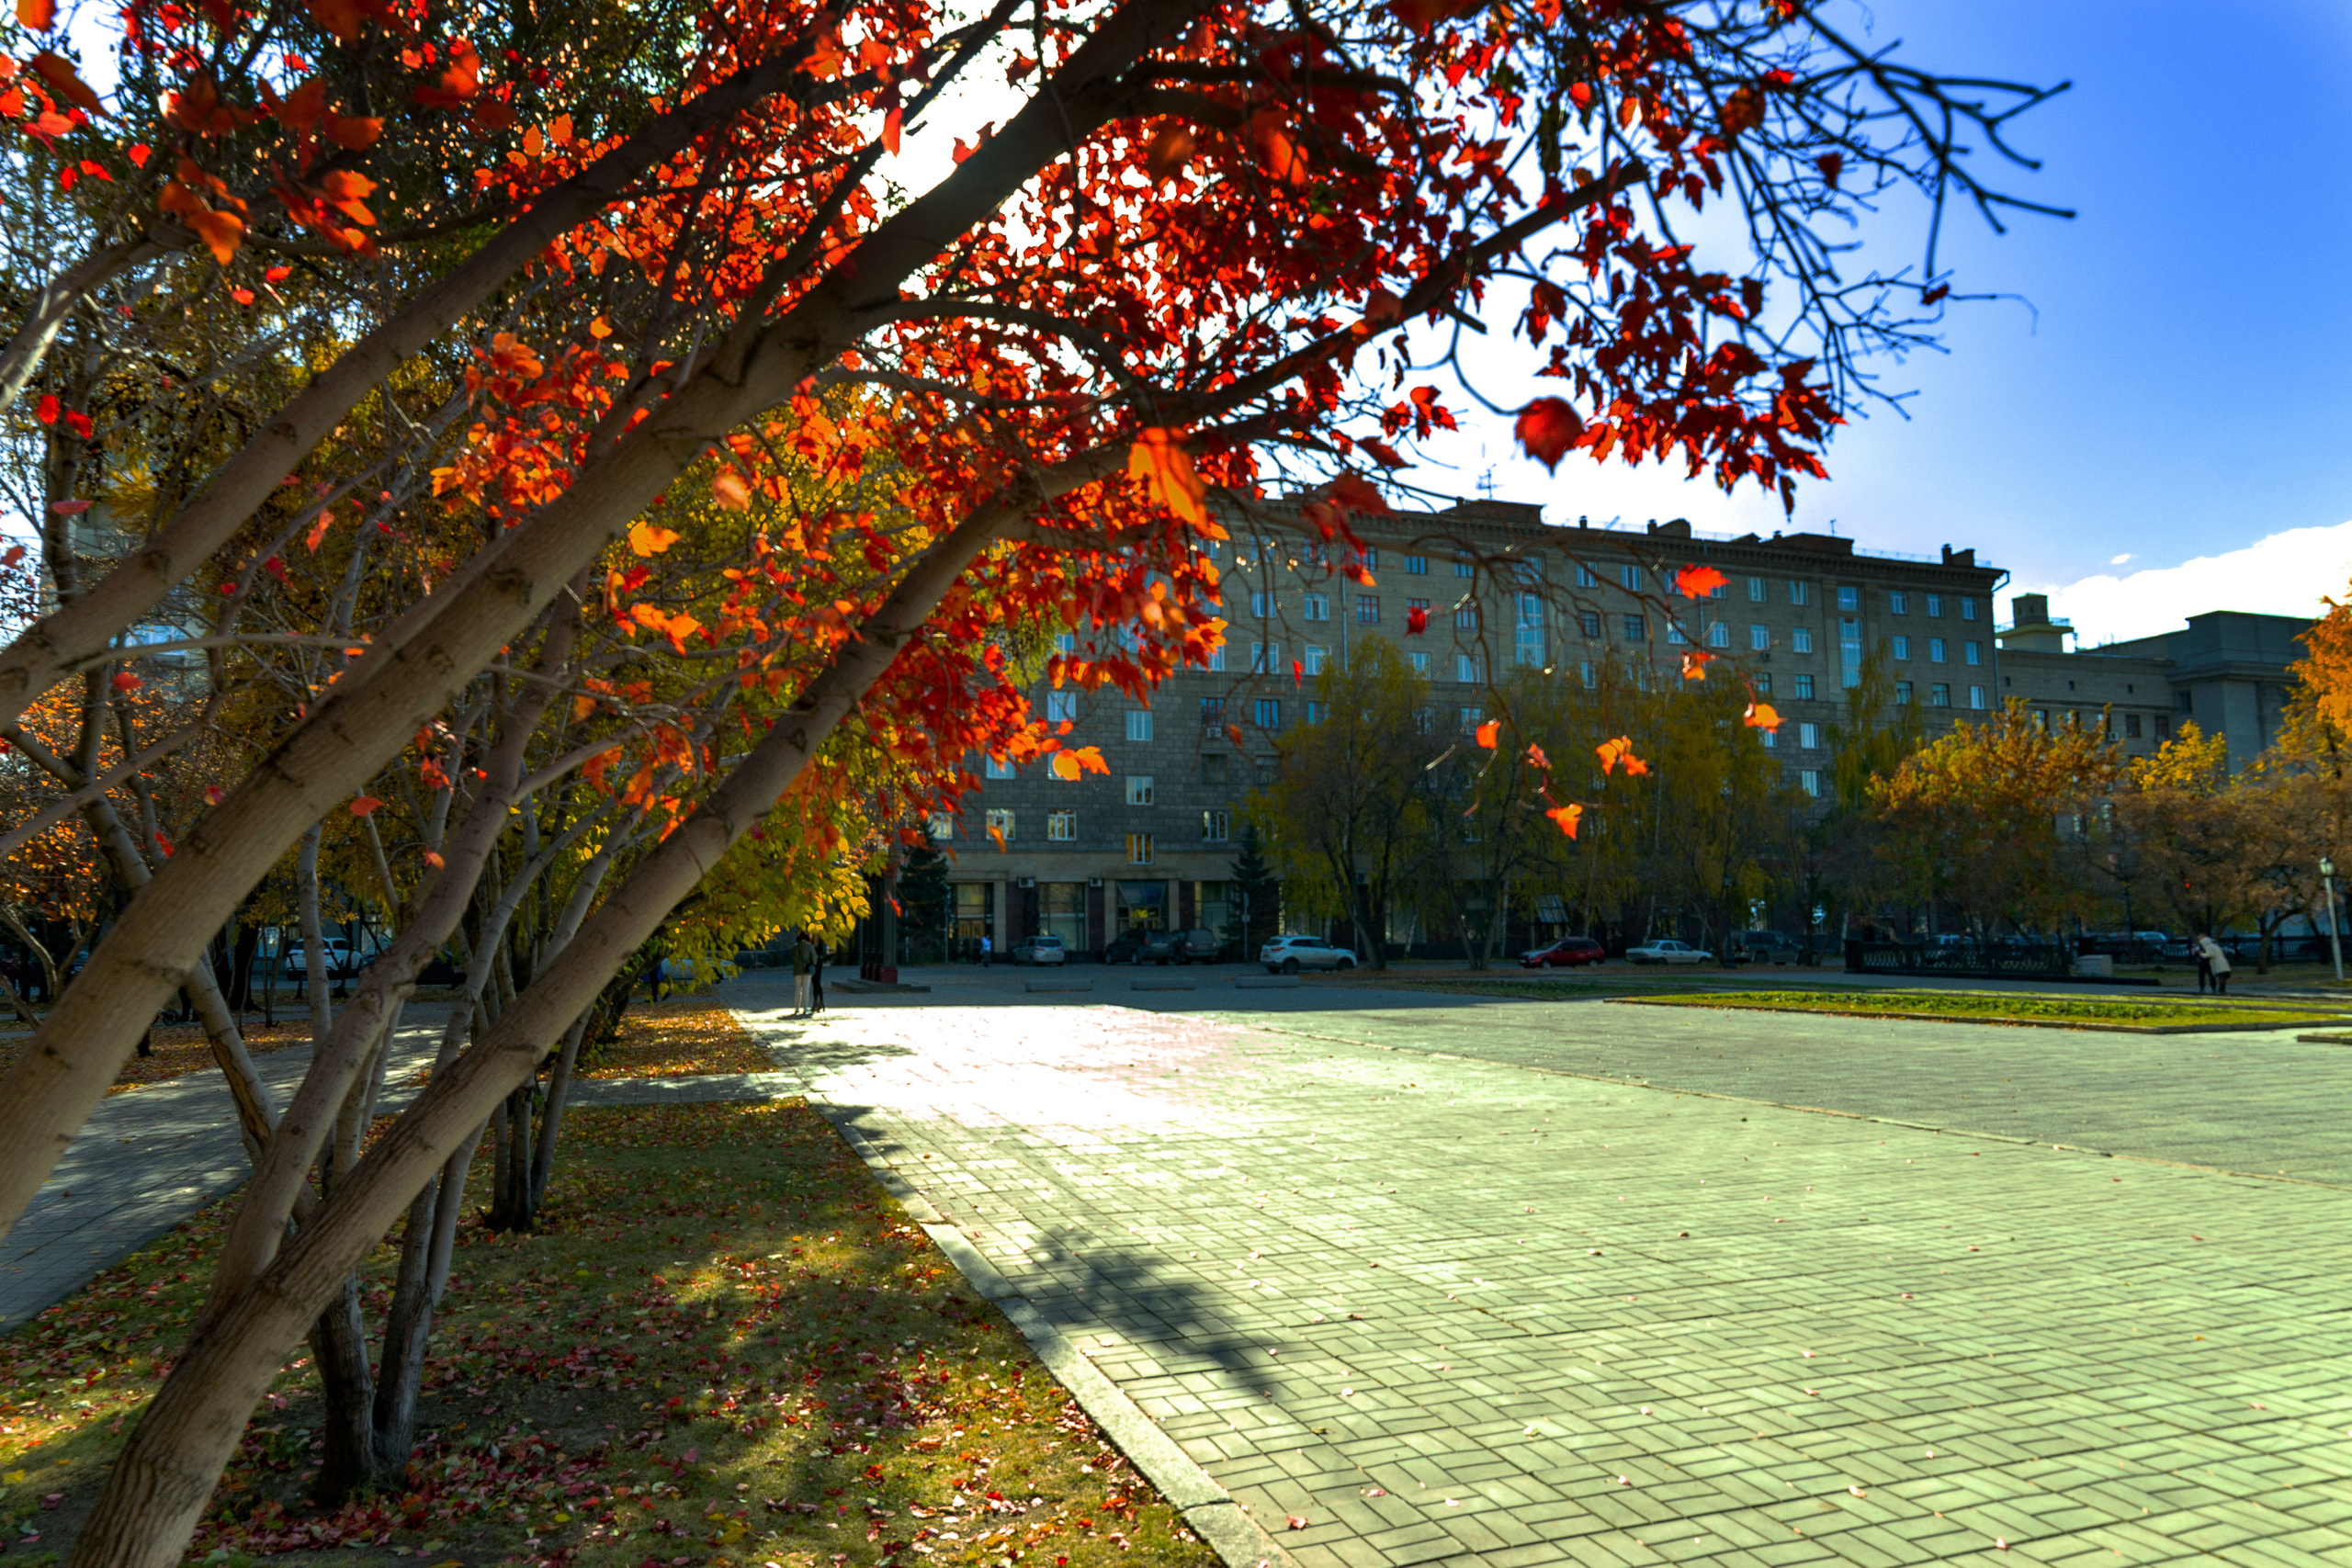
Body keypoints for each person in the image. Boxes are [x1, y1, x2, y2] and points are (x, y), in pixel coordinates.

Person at [790, 931, 817, 1016]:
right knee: (806, 988)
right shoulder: (810, 947)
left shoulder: (796, 947)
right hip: (807, 970)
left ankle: (796, 1008)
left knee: (798, 989)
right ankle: (805, 1007)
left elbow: (793, 957)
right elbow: (814, 959)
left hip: (797, 970)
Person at [2196, 932, 2231, 996]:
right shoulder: (2214, 945)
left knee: (2220, 976)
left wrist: (2202, 954)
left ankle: (2220, 989)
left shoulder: (2209, 946)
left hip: (2216, 963)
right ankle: (2221, 989)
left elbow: (2211, 954)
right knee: (2222, 976)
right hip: (2220, 963)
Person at [808, 936, 828, 1015]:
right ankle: (816, 1001)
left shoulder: (821, 942)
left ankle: (820, 1002)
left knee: (817, 982)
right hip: (813, 962)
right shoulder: (812, 941)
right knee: (814, 982)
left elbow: (821, 953)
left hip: (818, 962)